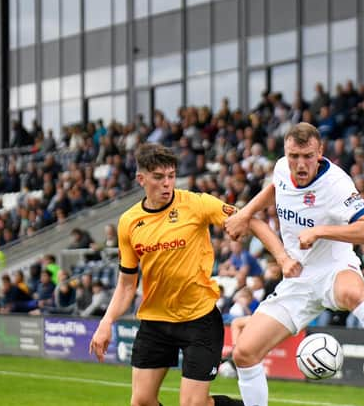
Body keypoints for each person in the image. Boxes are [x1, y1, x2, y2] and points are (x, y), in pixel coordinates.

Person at [225, 123, 364, 406]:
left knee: (353, 294)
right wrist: (246, 212)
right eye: (294, 155)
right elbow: (276, 188)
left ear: (319, 152)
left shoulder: (336, 185)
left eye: (307, 155)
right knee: (244, 354)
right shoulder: (282, 168)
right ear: (285, 152)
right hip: (297, 279)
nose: (299, 163)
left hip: (334, 267)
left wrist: (320, 231)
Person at [88, 143, 290, 406]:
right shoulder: (129, 222)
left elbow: (249, 219)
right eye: (158, 177)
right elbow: (127, 285)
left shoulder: (196, 204)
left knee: (194, 405)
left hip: (199, 320)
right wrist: (106, 322)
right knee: (141, 401)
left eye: (170, 176)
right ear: (141, 179)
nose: (166, 184)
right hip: (155, 321)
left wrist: (283, 258)